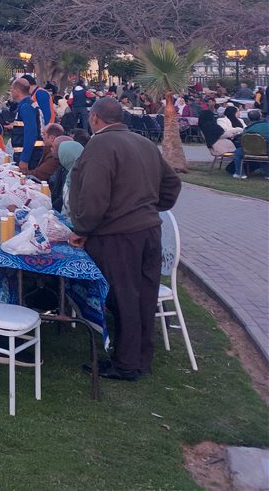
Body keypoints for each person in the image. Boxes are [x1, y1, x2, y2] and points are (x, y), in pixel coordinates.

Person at [68, 99, 181, 381]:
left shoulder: (100, 145)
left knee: (124, 299)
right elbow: (172, 184)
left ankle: (127, 364)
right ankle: (140, 358)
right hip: (149, 232)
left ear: (95, 118)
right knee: (143, 297)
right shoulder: (144, 143)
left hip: (118, 236)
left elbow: (94, 196)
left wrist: (82, 228)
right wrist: (149, 208)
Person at [10, 77, 52, 173]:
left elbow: (31, 134)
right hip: (32, 153)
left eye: (12, 89)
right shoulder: (30, 104)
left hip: (30, 156)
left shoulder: (26, 107)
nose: (11, 92)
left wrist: (24, 159)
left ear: (17, 91)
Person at [232, 109, 269, 179]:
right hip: (266, 150)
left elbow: (242, 141)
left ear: (249, 119)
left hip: (250, 151)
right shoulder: (267, 125)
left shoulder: (247, 130)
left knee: (237, 152)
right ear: (260, 117)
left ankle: (239, 173)